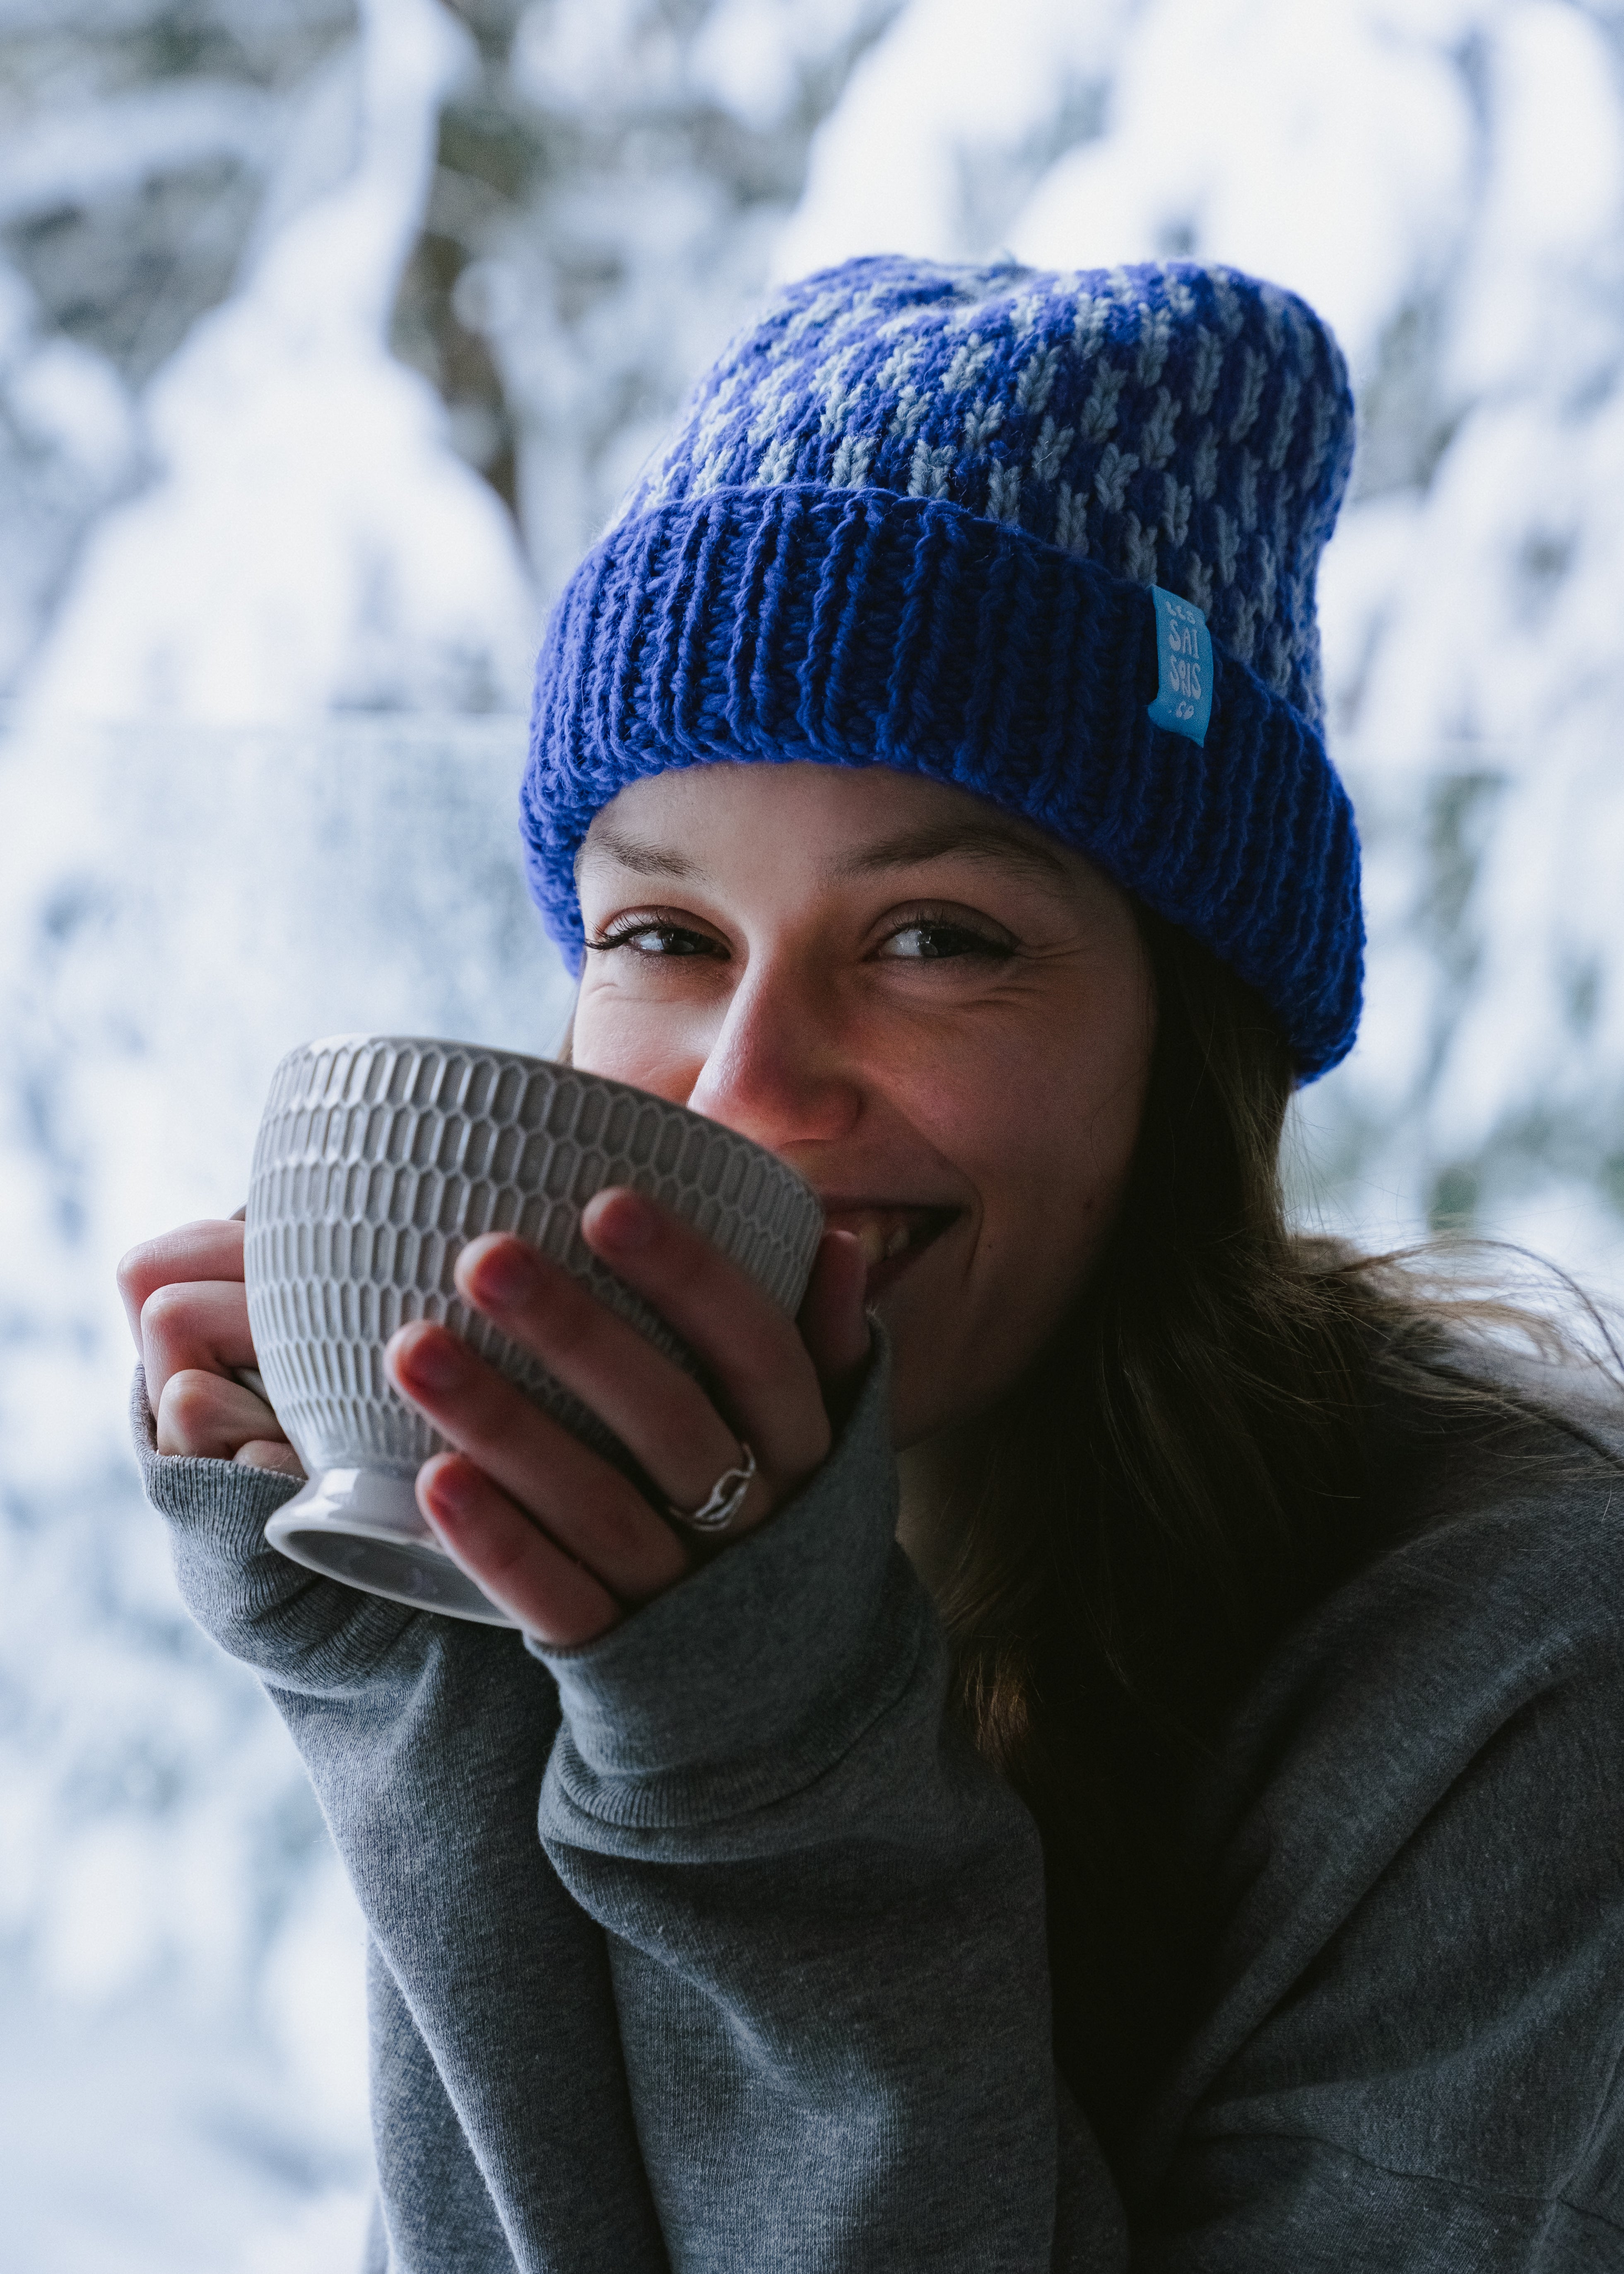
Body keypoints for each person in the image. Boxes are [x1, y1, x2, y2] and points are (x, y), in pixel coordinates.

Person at [118, 256, 1624, 2271]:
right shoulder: (639, 1567)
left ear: (1192, 1039)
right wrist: (430, 1671)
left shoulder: (1527, 1699)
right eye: (663, 939)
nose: (747, 1088)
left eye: (936, 937)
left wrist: (768, 1767)